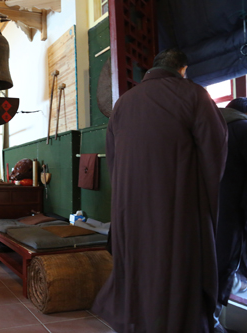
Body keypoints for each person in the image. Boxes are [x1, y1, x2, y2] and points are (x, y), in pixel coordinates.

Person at [92, 49, 228, 332]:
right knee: (174, 266)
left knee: (139, 265)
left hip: (130, 206)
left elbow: (113, 162)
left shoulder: (123, 103)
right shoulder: (193, 95)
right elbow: (214, 154)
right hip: (175, 205)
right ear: (183, 69)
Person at [215, 98, 247, 332]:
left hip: (196, 219)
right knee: (223, 271)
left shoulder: (205, 129)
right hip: (230, 220)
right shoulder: (242, 130)